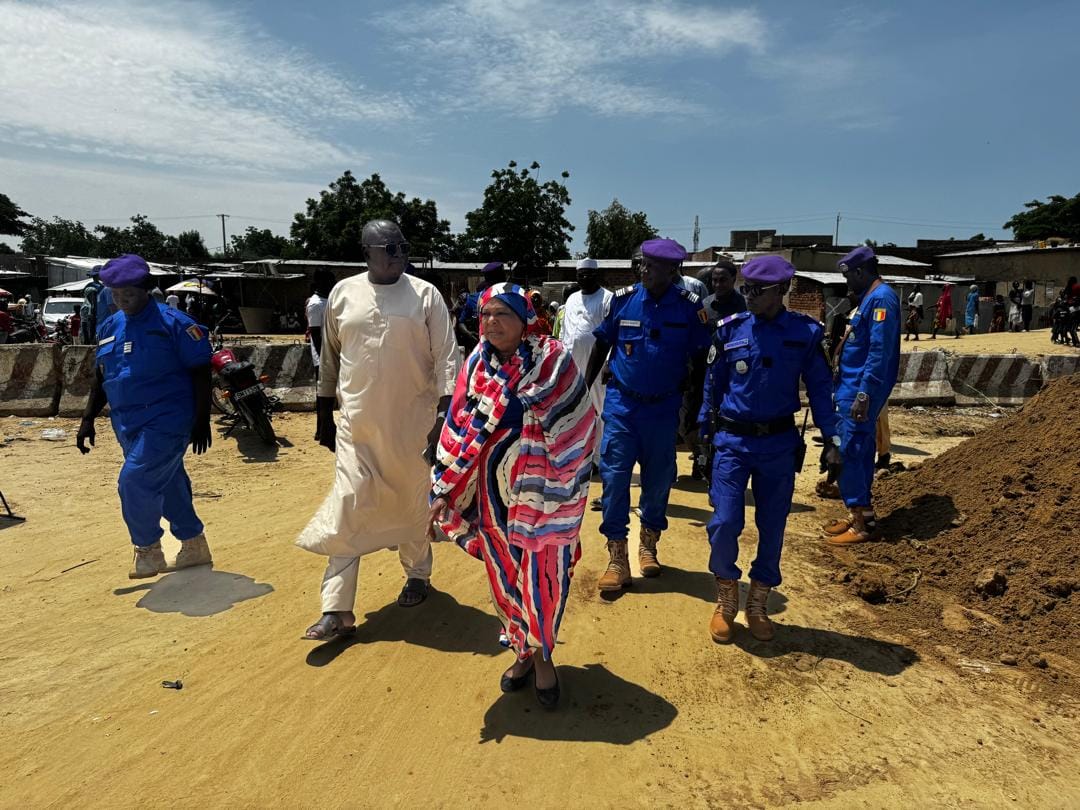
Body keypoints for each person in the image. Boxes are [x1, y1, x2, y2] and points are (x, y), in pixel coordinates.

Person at [428, 283, 595, 709]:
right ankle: (521, 652)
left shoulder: (552, 360)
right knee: (504, 568)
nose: (492, 323)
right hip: (492, 490)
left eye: (502, 314)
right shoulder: (476, 364)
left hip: (544, 490)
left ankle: (543, 659)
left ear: (524, 321)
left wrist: (541, 446)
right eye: (485, 315)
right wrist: (443, 484)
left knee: (543, 570)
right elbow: (459, 426)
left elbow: (579, 419)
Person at [297, 220, 459, 640]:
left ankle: (418, 575)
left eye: (402, 246)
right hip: (358, 426)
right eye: (389, 247)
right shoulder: (343, 294)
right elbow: (330, 359)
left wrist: (443, 417)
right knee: (349, 504)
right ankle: (336, 609)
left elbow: (446, 357)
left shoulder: (426, 295)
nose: (399, 254)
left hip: (414, 426)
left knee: (411, 502)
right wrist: (322, 415)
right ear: (366, 252)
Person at [700, 256, 841, 642]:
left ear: (782, 291)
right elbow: (713, 387)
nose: (748, 296)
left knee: (772, 526)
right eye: (746, 289)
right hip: (732, 442)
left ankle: (758, 603)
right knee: (725, 521)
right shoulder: (730, 330)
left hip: (778, 444)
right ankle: (726, 599)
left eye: (757, 291)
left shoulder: (805, 333)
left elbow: (821, 391)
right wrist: (703, 434)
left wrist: (833, 439)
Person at [75, 254, 214, 579]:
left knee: (134, 480)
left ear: (147, 289)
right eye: (117, 295)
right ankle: (194, 543)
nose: (123, 301)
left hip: (168, 419)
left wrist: (201, 418)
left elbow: (201, 371)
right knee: (167, 482)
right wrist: (87, 418)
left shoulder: (174, 324)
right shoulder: (110, 325)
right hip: (126, 422)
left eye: (130, 295)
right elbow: (102, 375)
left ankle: (148, 549)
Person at [584, 238, 711, 590]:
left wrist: (699, 405)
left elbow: (701, 358)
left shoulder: (689, 308)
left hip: (664, 410)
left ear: (672, 271)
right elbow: (600, 345)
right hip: (623, 407)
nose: (644, 270)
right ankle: (617, 556)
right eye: (642, 263)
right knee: (614, 481)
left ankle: (648, 545)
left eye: (652, 266)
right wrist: (583, 389)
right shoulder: (623, 301)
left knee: (657, 482)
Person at [822, 246, 900, 545]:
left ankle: (862, 524)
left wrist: (865, 394)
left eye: (847, 276)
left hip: (859, 390)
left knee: (850, 451)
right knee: (860, 451)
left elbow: (879, 352)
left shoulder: (881, 299)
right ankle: (859, 513)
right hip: (850, 386)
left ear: (859, 271)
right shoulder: (870, 298)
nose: (846, 283)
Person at [560, 259, 612, 467]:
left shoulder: (607, 298)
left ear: (596, 275)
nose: (584, 277)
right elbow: (565, 332)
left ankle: (598, 459)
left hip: (597, 367)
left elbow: (610, 335)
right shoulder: (572, 298)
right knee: (573, 410)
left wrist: (607, 363)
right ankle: (578, 455)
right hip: (571, 365)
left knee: (598, 412)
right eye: (580, 274)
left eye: (588, 274)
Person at [456, 262, 507, 352]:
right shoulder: (474, 299)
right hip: (480, 349)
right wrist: (468, 334)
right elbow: (461, 322)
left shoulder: (511, 299)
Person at [701, 259, 747, 327]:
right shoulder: (704, 305)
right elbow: (701, 330)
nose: (718, 285)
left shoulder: (745, 305)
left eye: (723, 280)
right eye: (715, 280)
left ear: (733, 279)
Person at [81, 268, 104, 344]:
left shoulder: (100, 286)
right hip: (91, 315)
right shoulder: (92, 287)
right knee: (91, 336)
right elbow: (93, 304)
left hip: (96, 314)